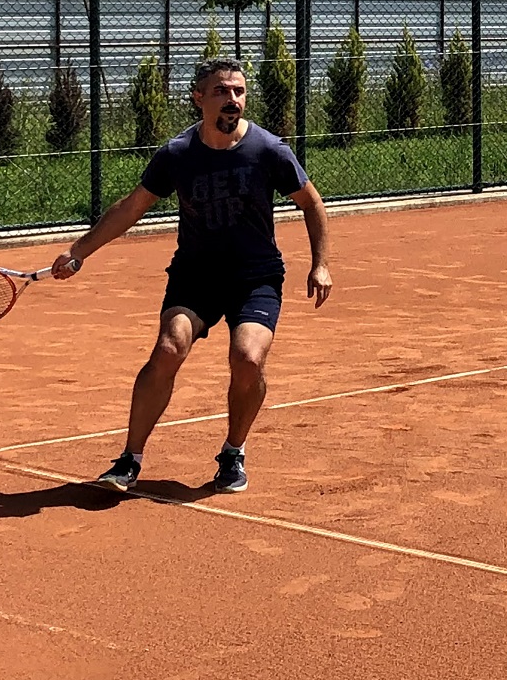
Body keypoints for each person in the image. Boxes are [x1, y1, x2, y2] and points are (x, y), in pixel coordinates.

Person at [50, 56, 332, 494]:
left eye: (238, 91)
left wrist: (320, 263)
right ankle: (129, 459)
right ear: (199, 98)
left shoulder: (268, 150)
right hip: (195, 276)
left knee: (248, 358)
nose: (232, 99)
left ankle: (233, 452)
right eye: (221, 91)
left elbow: (311, 202)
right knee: (169, 348)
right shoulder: (177, 154)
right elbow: (132, 207)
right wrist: (78, 251)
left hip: (255, 277)